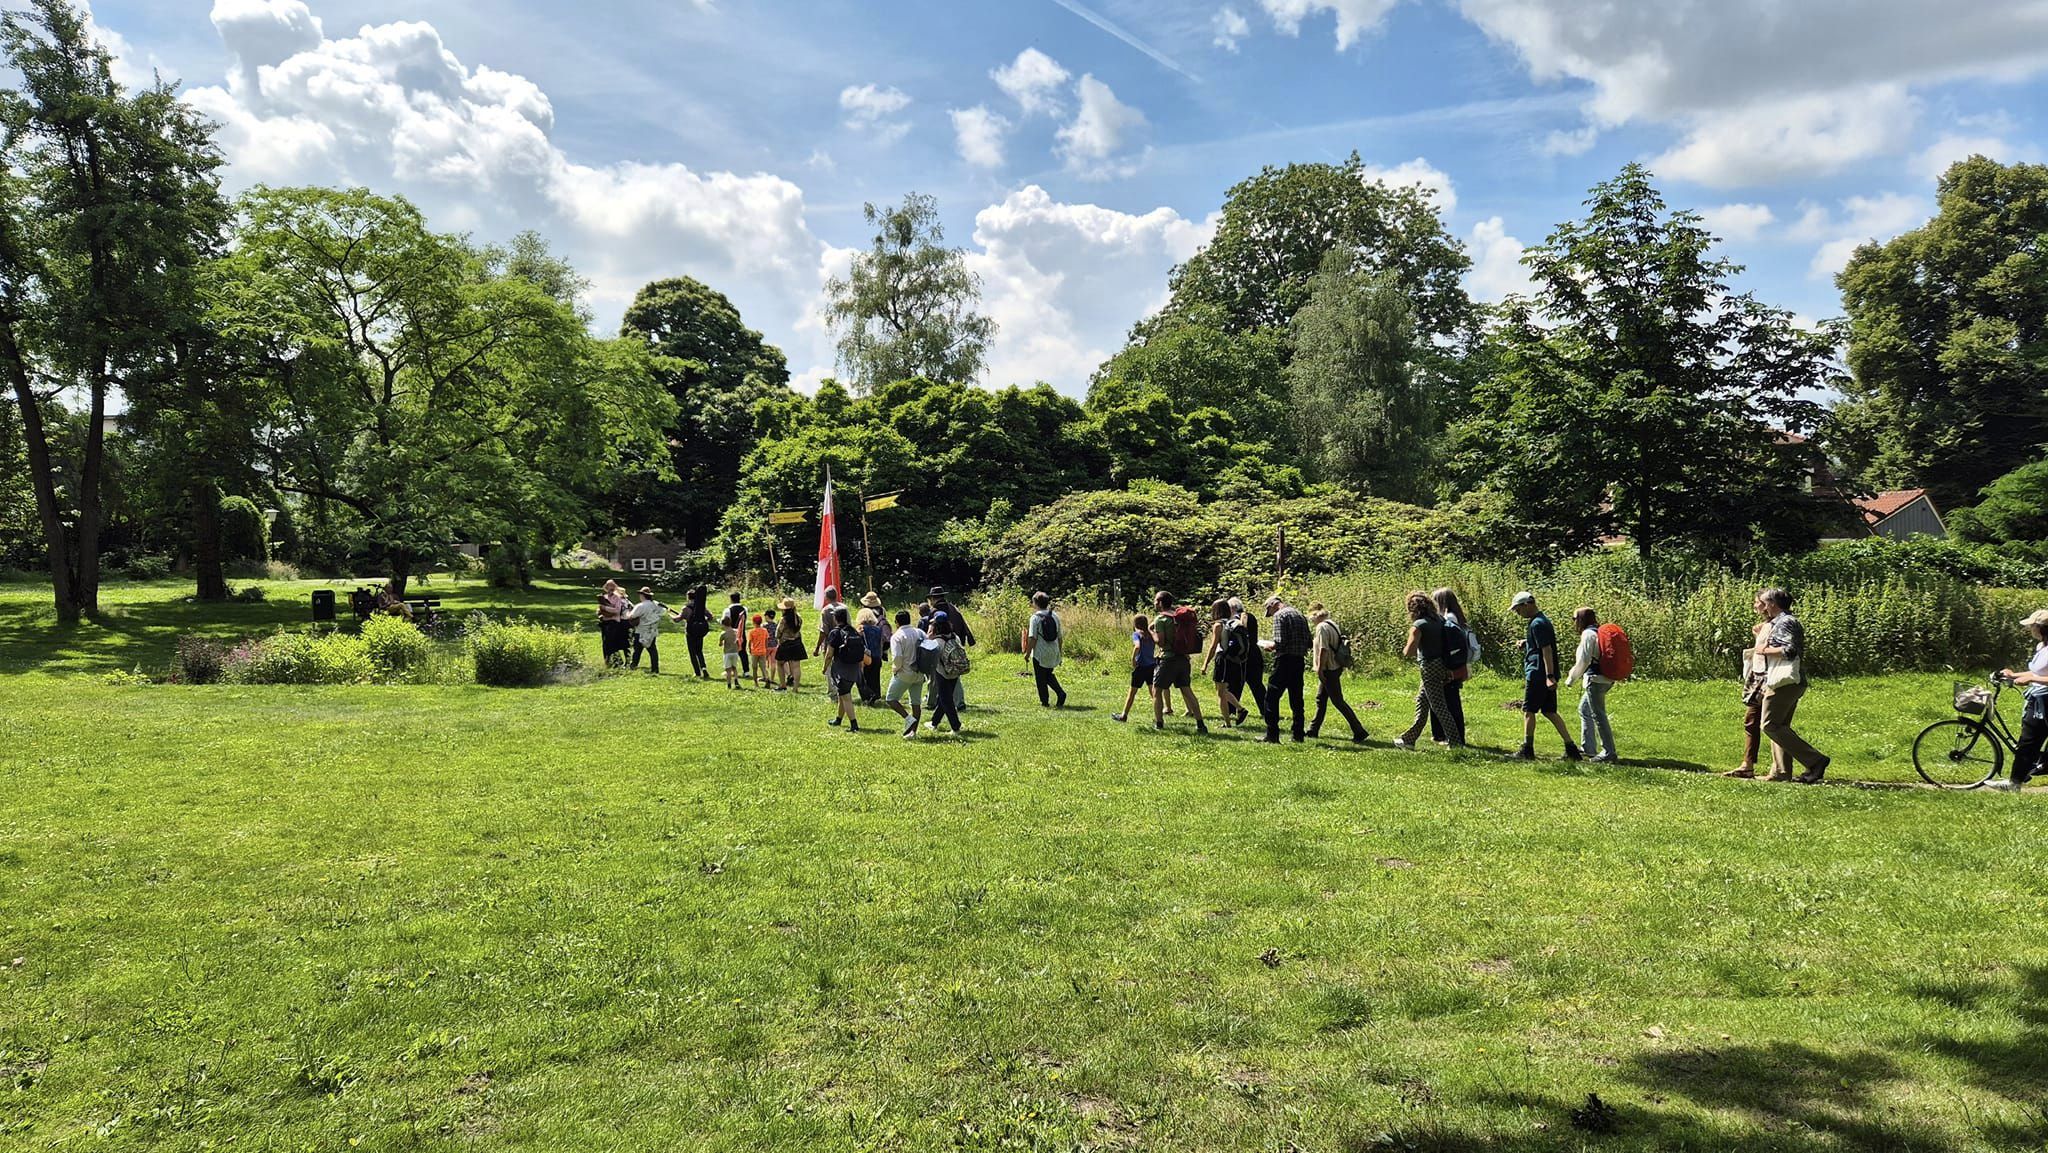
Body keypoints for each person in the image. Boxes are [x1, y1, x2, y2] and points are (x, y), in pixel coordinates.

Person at [1755, 587, 1829, 784]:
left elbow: (1789, 650)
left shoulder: (1786, 622)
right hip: (1786, 681)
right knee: (1780, 726)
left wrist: (1764, 650)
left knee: (1770, 725)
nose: (1763, 606)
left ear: (1772, 604)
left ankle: (1816, 761)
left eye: (1765, 602)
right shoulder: (1779, 622)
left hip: (1785, 681)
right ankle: (1781, 772)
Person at [1510, 592, 1581, 761]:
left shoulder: (1537, 624)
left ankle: (1527, 749)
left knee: (1528, 711)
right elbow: (1541, 643)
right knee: (1549, 711)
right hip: (1544, 673)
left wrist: (1549, 676)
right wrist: (1526, 643)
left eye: (1518, 609)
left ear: (1527, 604)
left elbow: (1546, 650)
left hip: (1538, 674)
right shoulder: (1541, 621)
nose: (1517, 613)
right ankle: (1571, 748)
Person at [1993, 609, 2048, 791]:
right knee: (2028, 742)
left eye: (2033, 626)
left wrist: (2031, 680)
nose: (2030, 629)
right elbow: (2037, 672)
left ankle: (2023, 777)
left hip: (2045, 701)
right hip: (2039, 700)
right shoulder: (2042, 647)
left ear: (2041, 628)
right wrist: (2012, 675)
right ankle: (2015, 783)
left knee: (2030, 742)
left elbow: (2037, 677)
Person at [1395, 591, 1458, 749]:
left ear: (1413, 609)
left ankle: (1456, 743)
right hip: (1442, 664)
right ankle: (1408, 740)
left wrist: (1404, 649)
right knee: (1422, 703)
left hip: (1429, 666)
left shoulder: (1419, 625)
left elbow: (1409, 651)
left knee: (1438, 706)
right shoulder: (1439, 619)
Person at [1306, 603, 1367, 743]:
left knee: (1338, 701)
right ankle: (1313, 730)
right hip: (1336, 666)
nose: (1311, 621)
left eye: (1311, 617)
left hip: (1329, 669)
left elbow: (1323, 650)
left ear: (1316, 616)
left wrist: (1320, 669)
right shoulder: (1333, 624)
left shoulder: (1321, 627)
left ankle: (1359, 731)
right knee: (1321, 700)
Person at [1563, 606, 1617, 762]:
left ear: (1581, 619)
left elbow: (1584, 660)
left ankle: (1609, 753)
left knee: (1598, 715)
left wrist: (1571, 679)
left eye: (1574, 619)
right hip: (1605, 678)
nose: (1573, 622)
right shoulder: (1598, 631)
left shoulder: (1588, 634)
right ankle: (1589, 748)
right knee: (1584, 709)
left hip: (1595, 679)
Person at [1150, 591, 1208, 734]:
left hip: (1168, 660)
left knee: (1156, 690)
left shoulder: (1161, 619)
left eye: (1156, 600)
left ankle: (1159, 723)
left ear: (1161, 602)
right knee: (1187, 691)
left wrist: (1150, 631)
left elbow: (1161, 643)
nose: (1154, 603)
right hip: (1183, 658)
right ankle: (1200, 724)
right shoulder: (1178, 617)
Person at [1724, 619, 1771, 777]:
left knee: (1775, 726)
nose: (1756, 605)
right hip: (1758, 677)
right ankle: (1748, 765)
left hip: (1769, 678)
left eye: (1759, 602)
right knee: (1752, 721)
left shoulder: (1780, 623)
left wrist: (1759, 637)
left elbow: (1769, 650)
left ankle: (1810, 761)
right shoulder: (1766, 624)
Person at [1260, 595, 1310, 744]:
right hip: (1299, 660)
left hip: (1284, 661)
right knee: (1296, 699)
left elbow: (1280, 642)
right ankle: (1298, 734)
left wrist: (1269, 646)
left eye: (1269, 610)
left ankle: (1272, 734)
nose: (1271, 614)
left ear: (1274, 604)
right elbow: (1309, 641)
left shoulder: (1279, 615)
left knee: (1271, 697)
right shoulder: (1300, 615)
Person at [1432, 588, 1476, 746]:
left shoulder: (1448, 618)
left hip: (1453, 664)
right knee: (1449, 699)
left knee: (1451, 701)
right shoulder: (1456, 616)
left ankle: (1455, 737)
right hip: (1459, 663)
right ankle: (1443, 735)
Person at [1200, 598, 1243, 726]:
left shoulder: (1218, 625)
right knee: (1223, 690)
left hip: (1222, 659)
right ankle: (1239, 710)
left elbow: (1213, 647)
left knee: (1220, 693)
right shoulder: (1233, 622)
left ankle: (1229, 722)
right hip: (1232, 660)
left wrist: (1205, 664)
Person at [886, 609, 927, 739]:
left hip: (904, 673)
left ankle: (908, 718)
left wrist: (895, 669)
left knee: (891, 699)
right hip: (920, 672)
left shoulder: (897, 636)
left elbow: (897, 657)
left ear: (897, 623)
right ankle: (913, 733)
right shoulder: (920, 632)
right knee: (915, 703)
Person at [825, 605, 868, 731]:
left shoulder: (835, 632)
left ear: (835, 618)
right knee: (842, 694)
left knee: (846, 697)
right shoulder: (853, 631)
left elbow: (829, 654)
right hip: (854, 669)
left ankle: (854, 725)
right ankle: (838, 719)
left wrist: (825, 667)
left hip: (842, 669)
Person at [1112, 613, 1157, 723]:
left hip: (1141, 667)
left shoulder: (1136, 634)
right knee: (1153, 692)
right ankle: (1158, 717)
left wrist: (1133, 659)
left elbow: (1137, 646)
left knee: (1132, 692)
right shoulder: (1151, 634)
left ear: (1135, 624)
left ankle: (1124, 715)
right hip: (1151, 665)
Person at [927, 611, 966, 734]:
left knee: (946, 700)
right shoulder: (955, 637)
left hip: (942, 673)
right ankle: (934, 723)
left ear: (936, 626)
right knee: (944, 699)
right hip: (955, 672)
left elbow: (932, 659)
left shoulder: (937, 642)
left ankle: (956, 727)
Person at [1027, 591, 1067, 708]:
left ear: (1035, 603)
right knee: (1048, 674)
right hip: (1053, 651)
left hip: (1040, 653)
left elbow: (1032, 638)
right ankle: (1060, 693)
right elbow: (1060, 637)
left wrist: (1027, 653)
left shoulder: (1035, 618)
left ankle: (1045, 702)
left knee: (1041, 678)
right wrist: (1059, 653)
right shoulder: (1054, 616)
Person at [1231, 596, 1265, 727]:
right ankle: (1265, 709)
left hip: (1242, 655)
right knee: (1257, 684)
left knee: (1235, 683)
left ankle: (1232, 710)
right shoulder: (1250, 616)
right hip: (1255, 654)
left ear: (1233, 608)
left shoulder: (1236, 620)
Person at [623, 586, 666, 673]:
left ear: (642, 595)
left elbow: (631, 616)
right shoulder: (656, 604)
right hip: (652, 630)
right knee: (652, 650)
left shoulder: (641, 606)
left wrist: (627, 612)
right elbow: (662, 611)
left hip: (641, 630)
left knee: (637, 650)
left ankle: (633, 666)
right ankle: (655, 668)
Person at [857, 592, 887, 705]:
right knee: (875, 678)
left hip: (866, 657)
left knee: (865, 678)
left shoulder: (861, 629)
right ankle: (876, 696)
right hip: (877, 656)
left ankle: (868, 698)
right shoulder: (878, 629)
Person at [774, 599, 806, 692]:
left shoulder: (783, 619)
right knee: (796, 666)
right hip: (797, 643)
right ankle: (795, 688)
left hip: (785, 643)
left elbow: (778, 632)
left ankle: (782, 685)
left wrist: (779, 639)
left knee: (780, 663)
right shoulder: (798, 618)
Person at [597, 580, 630, 667]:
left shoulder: (617, 598)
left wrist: (605, 608)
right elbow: (599, 608)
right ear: (606, 588)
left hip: (613, 622)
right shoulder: (604, 597)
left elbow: (617, 610)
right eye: (608, 588)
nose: (610, 590)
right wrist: (599, 611)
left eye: (612, 588)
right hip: (605, 621)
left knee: (612, 643)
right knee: (605, 643)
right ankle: (608, 662)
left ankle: (617, 662)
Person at [681, 586, 712, 679]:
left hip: (690, 632)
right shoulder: (701, 607)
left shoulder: (686, 608)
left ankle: (697, 672)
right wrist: (702, 620)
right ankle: (704, 667)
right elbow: (710, 617)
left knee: (692, 652)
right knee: (699, 651)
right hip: (700, 631)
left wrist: (671, 616)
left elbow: (677, 619)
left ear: (688, 597)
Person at [721, 592, 751, 681]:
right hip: (741, 633)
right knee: (743, 652)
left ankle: (729, 670)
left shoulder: (727, 610)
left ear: (731, 599)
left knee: (729, 652)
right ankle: (746, 671)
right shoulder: (744, 609)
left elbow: (725, 621)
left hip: (731, 633)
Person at [747, 613, 773, 688]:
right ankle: (767, 678)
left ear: (753, 622)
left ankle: (756, 683)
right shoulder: (764, 631)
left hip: (754, 652)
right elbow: (766, 641)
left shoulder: (752, 632)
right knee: (763, 667)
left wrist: (749, 650)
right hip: (763, 651)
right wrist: (766, 648)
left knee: (754, 668)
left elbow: (750, 642)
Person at [718, 613, 742, 688]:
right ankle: (736, 681)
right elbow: (738, 641)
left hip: (727, 653)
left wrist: (722, 642)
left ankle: (729, 684)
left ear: (723, 624)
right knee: (734, 668)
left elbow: (720, 644)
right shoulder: (735, 631)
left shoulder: (723, 634)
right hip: (735, 652)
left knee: (728, 670)